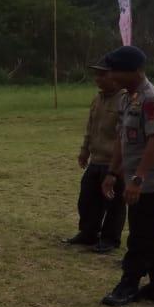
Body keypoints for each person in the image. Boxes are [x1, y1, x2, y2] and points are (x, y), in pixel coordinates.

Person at [99, 46, 154, 307]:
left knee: (141, 236)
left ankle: (128, 285)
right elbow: (122, 140)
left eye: (116, 70)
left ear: (133, 71)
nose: (111, 75)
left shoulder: (151, 99)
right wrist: (113, 172)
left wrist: (138, 180)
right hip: (137, 179)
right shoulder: (127, 98)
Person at [62, 61, 126, 253]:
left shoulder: (124, 100)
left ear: (115, 76)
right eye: (96, 75)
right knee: (87, 199)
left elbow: (124, 136)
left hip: (114, 162)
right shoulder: (98, 99)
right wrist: (84, 150)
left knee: (114, 203)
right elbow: (90, 127)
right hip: (96, 159)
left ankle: (109, 239)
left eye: (102, 75)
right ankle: (88, 233)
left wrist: (117, 166)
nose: (97, 79)